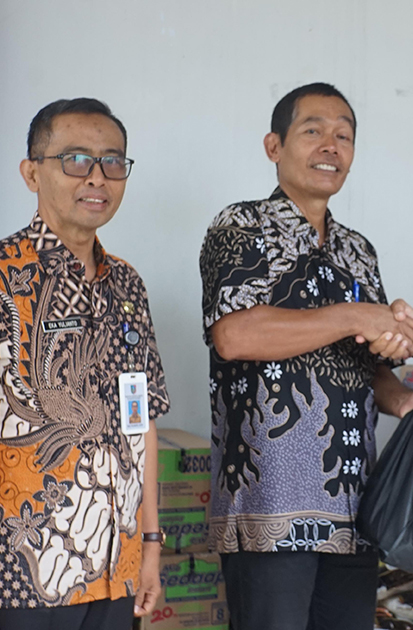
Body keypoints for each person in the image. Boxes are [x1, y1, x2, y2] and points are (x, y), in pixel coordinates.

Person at [199, 82, 413, 630]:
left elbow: (368, 369)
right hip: (270, 504)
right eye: (313, 131)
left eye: (344, 136)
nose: (331, 146)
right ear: (274, 146)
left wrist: (408, 399)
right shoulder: (240, 225)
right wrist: (355, 315)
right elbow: (234, 335)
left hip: (354, 507)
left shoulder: (358, 250)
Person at [0, 98, 169, 629]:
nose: (97, 177)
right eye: (75, 159)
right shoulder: (5, 276)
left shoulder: (128, 285)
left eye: (112, 161)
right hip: (22, 576)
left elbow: (141, 421)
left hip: (118, 567)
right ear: (32, 172)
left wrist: (150, 544)